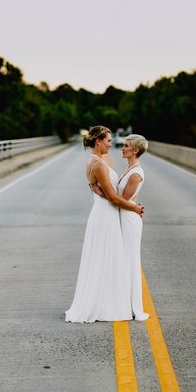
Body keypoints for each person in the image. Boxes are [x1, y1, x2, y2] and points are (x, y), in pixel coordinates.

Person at [65, 126, 146, 323]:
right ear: (99, 141)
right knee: (105, 258)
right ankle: (103, 305)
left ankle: (106, 300)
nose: (112, 144)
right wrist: (134, 208)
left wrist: (105, 194)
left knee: (105, 259)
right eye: (109, 141)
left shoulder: (95, 161)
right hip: (105, 216)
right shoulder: (99, 165)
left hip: (104, 213)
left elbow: (107, 193)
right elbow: (113, 198)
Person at [117, 134, 149, 321]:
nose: (122, 148)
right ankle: (122, 301)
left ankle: (132, 306)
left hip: (129, 220)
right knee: (122, 260)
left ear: (135, 150)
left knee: (130, 260)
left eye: (126, 145)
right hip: (125, 216)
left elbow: (122, 200)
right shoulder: (130, 169)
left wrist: (103, 192)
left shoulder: (136, 173)